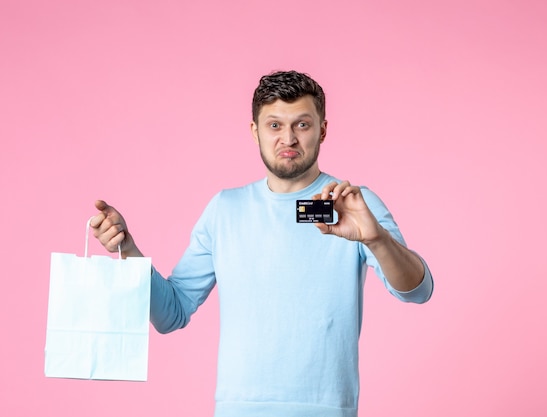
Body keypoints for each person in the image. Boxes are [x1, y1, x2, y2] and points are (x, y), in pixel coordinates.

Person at [90, 70, 434, 417]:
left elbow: (418, 290)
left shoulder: (352, 205)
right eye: (274, 125)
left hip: (326, 409)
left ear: (323, 129)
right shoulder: (225, 209)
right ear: (255, 132)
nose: (288, 138)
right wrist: (128, 249)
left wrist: (377, 239)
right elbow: (171, 313)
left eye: (302, 124)